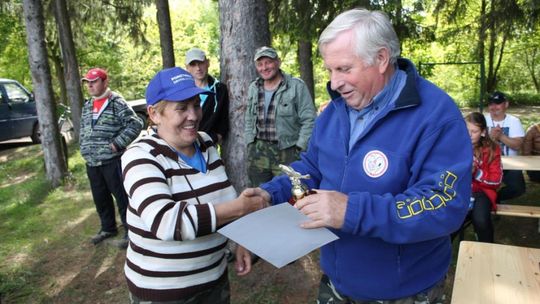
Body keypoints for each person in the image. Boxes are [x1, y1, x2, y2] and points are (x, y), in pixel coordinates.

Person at [238, 9, 473, 303]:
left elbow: (444, 205)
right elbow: (312, 166)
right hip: (336, 282)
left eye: (344, 69)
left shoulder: (436, 115)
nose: (334, 83)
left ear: (381, 59)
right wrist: (269, 193)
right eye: (330, 70)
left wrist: (352, 211)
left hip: (403, 291)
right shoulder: (336, 111)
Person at [120, 67, 266, 303]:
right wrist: (242, 207)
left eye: (196, 105)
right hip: (164, 293)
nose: (194, 115)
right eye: (181, 108)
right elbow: (167, 223)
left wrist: (241, 239)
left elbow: (223, 199)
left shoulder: (206, 142)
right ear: (154, 114)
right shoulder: (140, 156)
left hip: (214, 279)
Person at [80, 67, 143, 248]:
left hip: (112, 160)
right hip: (92, 162)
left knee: (122, 197)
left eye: (94, 81)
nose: (90, 85)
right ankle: (108, 228)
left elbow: (136, 123)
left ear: (105, 82)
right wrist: (83, 147)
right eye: (88, 82)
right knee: (100, 197)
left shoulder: (116, 102)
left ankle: (131, 232)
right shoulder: (88, 105)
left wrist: (117, 144)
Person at [244, 46, 316, 187]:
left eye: (268, 62)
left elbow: (309, 119)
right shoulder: (254, 87)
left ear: (278, 62)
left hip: (287, 150)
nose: (264, 67)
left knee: (289, 192)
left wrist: (300, 148)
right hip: (258, 151)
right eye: (260, 64)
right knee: (259, 194)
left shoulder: (296, 86)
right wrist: (249, 143)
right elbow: (249, 118)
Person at [464, 112, 502, 243]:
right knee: (449, 222)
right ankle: (442, 255)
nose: (469, 135)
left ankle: (488, 247)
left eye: (474, 131)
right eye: (466, 130)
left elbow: (496, 180)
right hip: (459, 190)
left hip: (482, 191)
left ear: (483, 132)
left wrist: (477, 172)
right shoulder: (456, 146)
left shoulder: (492, 149)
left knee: (481, 220)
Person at [484, 91, 526, 202]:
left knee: (518, 189)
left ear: (506, 104)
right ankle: (486, 204)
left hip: (510, 164)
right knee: (482, 187)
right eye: (491, 104)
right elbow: (475, 145)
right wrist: (491, 138)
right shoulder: (482, 120)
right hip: (487, 163)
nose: (494, 107)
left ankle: (495, 199)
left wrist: (501, 136)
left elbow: (517, 145)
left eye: (497, 103)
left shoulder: (514, 121)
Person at [185, 47, 229, 144]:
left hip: (208, 145)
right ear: (187, 68)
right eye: (193, 64)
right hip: (184, 144)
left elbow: (224, 119)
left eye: (200, 62)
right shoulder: (182, 91)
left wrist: (215, 138)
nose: (198, 68)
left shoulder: (220, 89)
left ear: (207, 63)